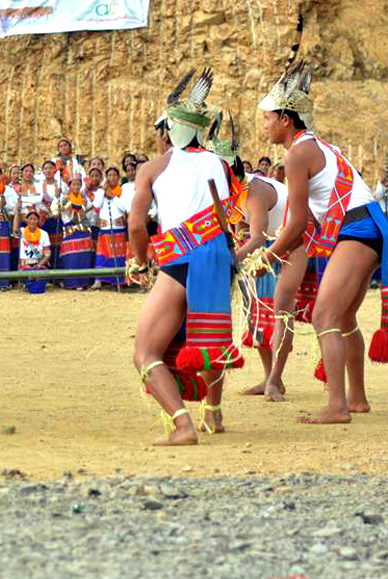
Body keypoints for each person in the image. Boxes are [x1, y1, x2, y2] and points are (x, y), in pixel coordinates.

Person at [259, 61, 388, 424]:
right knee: (343, 317)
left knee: (325, 315)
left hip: (358, 229)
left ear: (286, 119)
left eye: (268, 118)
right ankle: (356, 398)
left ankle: (337, 405)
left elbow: (298, 221)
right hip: (366, 226)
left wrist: (267, 254)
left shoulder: (298, 153)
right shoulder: (316, 146)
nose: (265, 124)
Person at [129, 69, 238, 446]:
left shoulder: (152, 168)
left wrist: (140, 262)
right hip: (220, 259)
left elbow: (136, 226)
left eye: (161, 130)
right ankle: (214, 411)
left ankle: (183, 426)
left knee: (145, 353)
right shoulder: (217, 162)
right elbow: (227, 217)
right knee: (207, 339)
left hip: (181, 260)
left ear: (169, 130)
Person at [212, 125, 298, 402]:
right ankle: (270, 377)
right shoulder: (233, 192)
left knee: (280, 314)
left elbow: (258, 236)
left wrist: (228, 261)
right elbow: (242, 232)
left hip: (291, 247)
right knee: (258, 318)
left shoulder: (255, 190)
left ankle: (274, 381)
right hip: (264, 253)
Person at [92, 166, 129, 289]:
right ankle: (99, 280)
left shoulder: (122, 191)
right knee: (102, 256)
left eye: (114, 175)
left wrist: (112, 196)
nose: (112, 177)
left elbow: (124, 207)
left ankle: (120, 280)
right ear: (106, 178)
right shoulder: (100, 191)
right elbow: (96, 204)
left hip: (118, 228)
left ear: (118, 177)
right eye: (110, 175)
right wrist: (103, 191)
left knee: (119, 256)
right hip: (105, 228)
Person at [55, 177, 93, 290]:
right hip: (69, 229)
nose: (76, 187)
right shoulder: (64, 197)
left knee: (83, 256)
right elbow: (55, 209)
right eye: (74, 184)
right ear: (70, 186)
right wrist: (58, 198)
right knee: (70, 256)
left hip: (82, 229)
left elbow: (90, 208)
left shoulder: (84, 198)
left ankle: (83, 282)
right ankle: (70, 282)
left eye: (78, 185)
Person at [14, 210, 52, 294]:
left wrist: (39, 265)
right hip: (25, 266)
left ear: (38, 221)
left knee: (40, 277)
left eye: (35, 219)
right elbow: (15, 229)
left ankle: (33, 287)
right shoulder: (22, 231)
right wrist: (18, 210)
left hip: (39, 265)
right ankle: (30, 286)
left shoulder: (44, 234)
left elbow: (47, 254)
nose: (32, 221)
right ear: (26, 221)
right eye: (30, 219)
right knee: (30, 277)